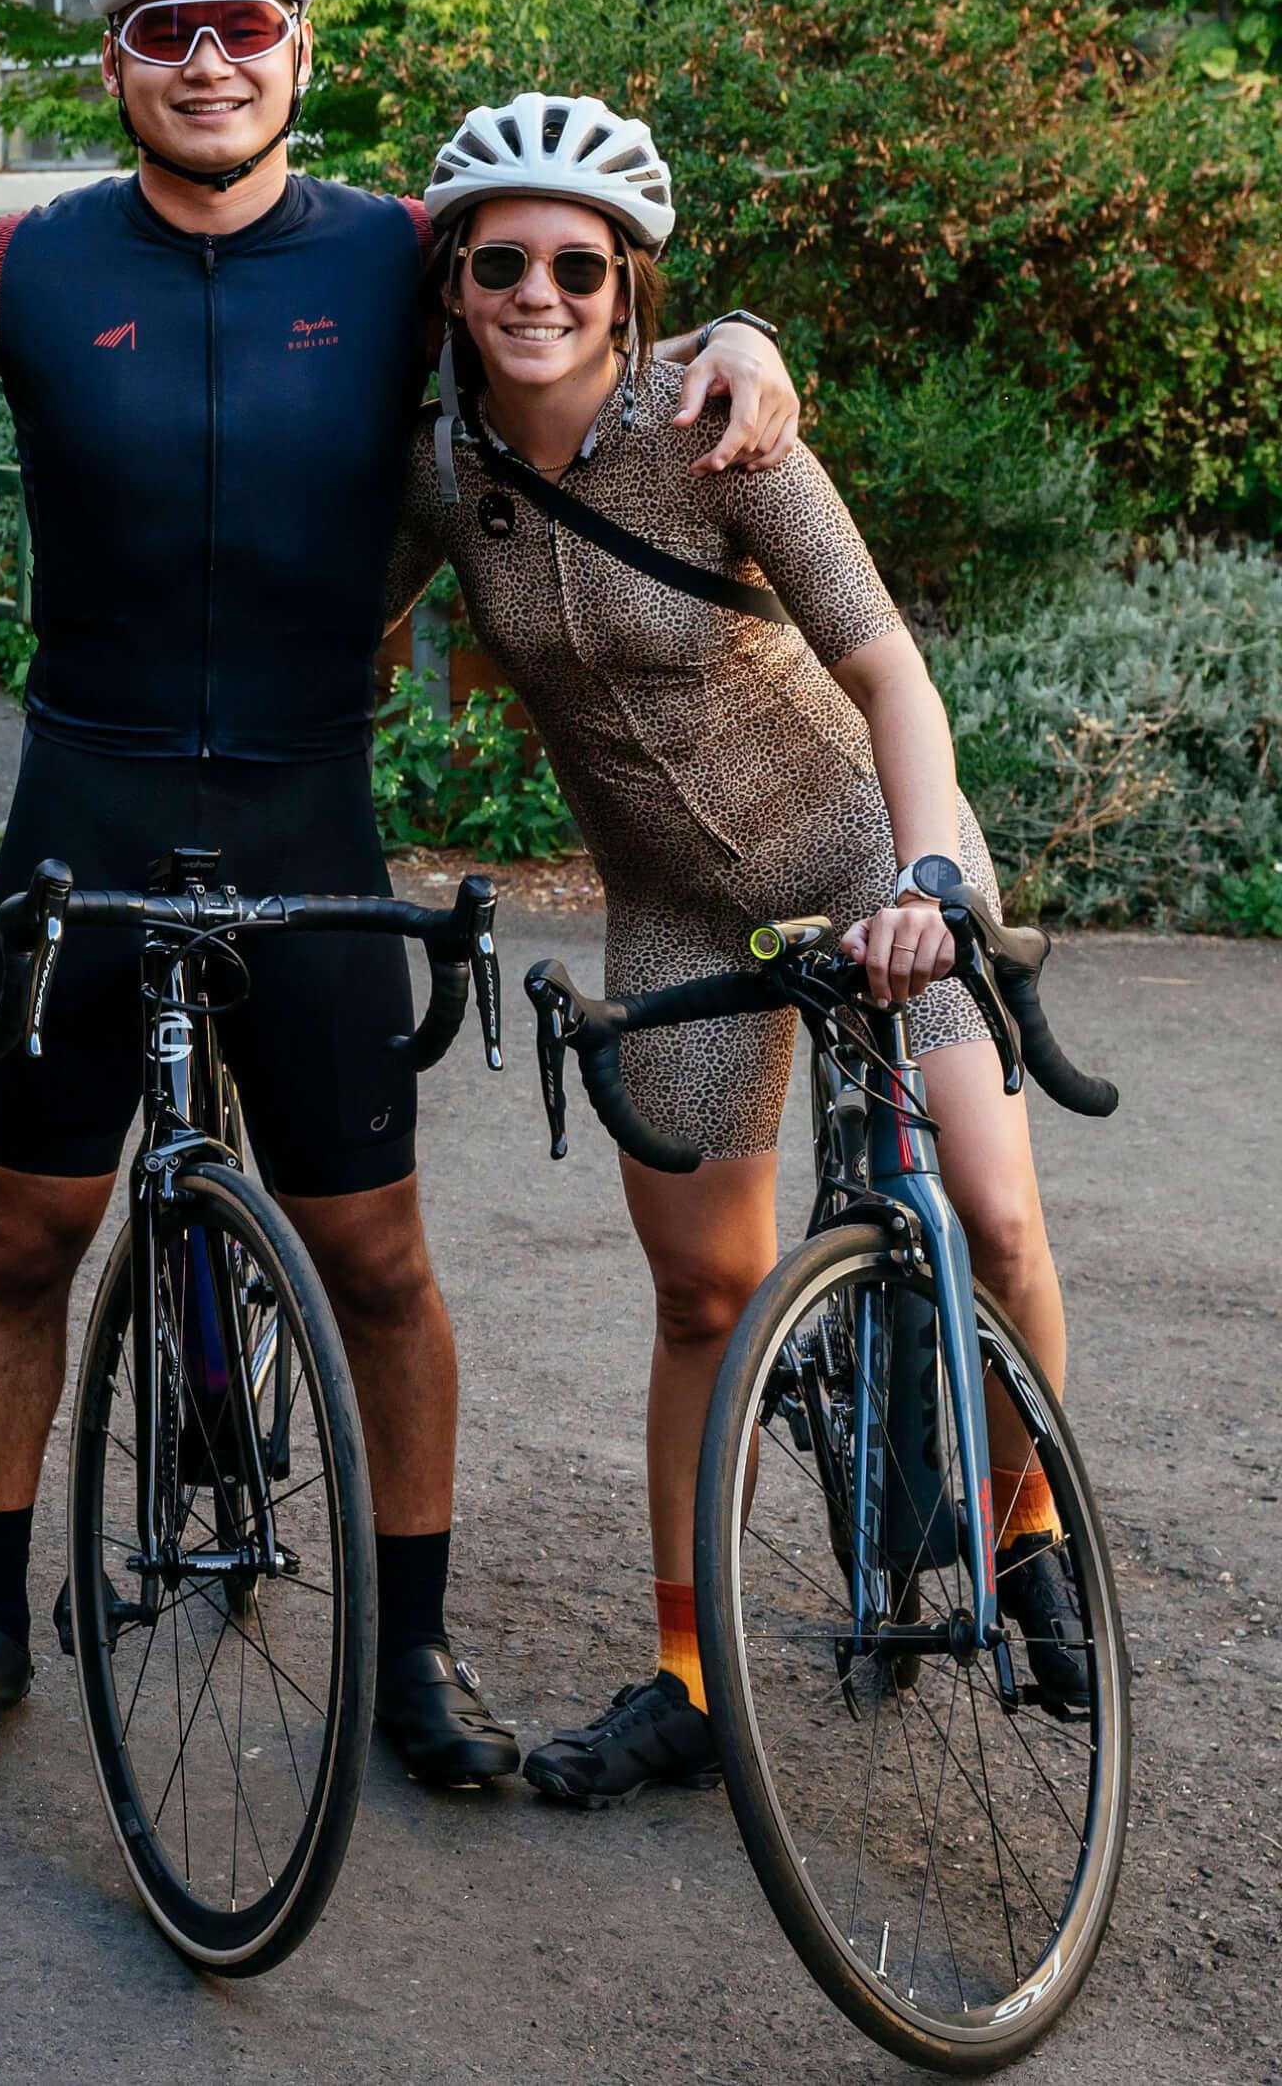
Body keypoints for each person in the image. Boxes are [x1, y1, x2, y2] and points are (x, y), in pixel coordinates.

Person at [0, 0, 806, 1781]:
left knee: (384, 1265)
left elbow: (576, 280)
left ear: (297, 48)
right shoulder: (38, 266)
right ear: (115, 58)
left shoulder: (404, 258)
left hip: (308, 819)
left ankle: (408, 1661)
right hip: (85, 806)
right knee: (23, 1240)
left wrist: (736, 325)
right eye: (167, 27)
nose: (208, 59)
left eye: (244, 23)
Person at [383, 92, 1088, 1803]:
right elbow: (333, 650)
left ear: (626, 285)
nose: (538, 291)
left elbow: (888, 670)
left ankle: (1024, 1532)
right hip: (672, 899)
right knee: (705, 1292)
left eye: (576, 262)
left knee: (990, 1211)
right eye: (503, 262)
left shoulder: (718, 430)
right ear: (458, 284)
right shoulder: (437, 474)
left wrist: (926, 871)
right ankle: (690, 1676)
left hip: (868, 852)